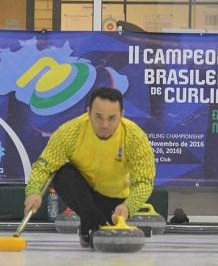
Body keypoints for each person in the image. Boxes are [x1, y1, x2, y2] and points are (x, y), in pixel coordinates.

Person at [23, 87, 156, 248]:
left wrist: (128, 207)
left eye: (112, 118)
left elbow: (144, 182)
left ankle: (91, 224)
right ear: (88, 112)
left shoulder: (135, 137)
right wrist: (33, 192)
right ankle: (95, 222)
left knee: (108, 215)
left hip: (116, 200)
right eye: (98, 117)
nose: (105, 125)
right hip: (84, 196)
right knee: (62, 173)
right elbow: (43, 166)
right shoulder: (70, 132)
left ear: (122, 115)